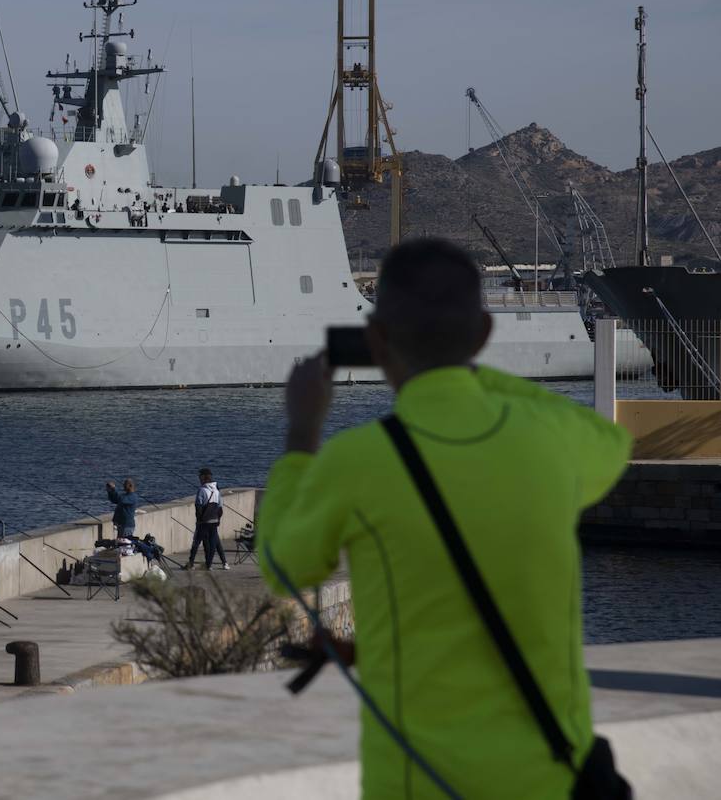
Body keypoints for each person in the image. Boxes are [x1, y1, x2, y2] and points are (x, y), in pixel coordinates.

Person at [257, 238, 633, 799]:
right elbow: (612, 443)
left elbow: (285, 562)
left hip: (421, 784)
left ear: (377, 340)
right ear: (483, 334)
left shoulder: (357, 462)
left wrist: (301, 431)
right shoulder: (555, 441)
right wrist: (470, 372)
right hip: (550, 780)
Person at [187, 467, 228, 570]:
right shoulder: (216, 491)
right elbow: (220, 508)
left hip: (204, 522)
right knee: (213, 543)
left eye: (199, 476)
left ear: (203, 477)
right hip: (214, 521)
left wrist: (199, 520)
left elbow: (198, 507)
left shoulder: (202, 490)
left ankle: (191, 563)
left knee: (196, 542)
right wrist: (217, 519)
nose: (198, 478)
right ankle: (209, 565)